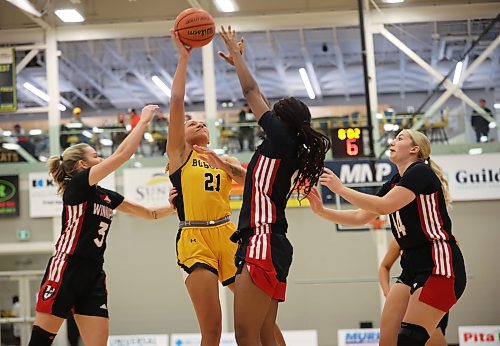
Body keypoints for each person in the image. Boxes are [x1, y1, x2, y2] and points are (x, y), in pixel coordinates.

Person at [218, 25, 331, 346]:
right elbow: (255, 185)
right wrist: (227, 168)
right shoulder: (285, 147)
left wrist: (239, 58)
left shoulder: (282, 140)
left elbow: (252, 92)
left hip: (262, 241)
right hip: (272, 243)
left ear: (281, 121)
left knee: (245, 334)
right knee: (265, 332)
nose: (265, 112)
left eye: (273, 111)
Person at [28, 104, 175, 346]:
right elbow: (123, 155)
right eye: (95, 155)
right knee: (40, 342)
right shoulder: (77, 186)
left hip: (94, 274)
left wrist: (174, 208)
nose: (101, 158)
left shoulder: (106, 196)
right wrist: (143, 121)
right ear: (82, 166)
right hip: (67, 267)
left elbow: (150, 214)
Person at [306, 129, 466, 346]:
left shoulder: (421, 172)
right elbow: (362, 216)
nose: (392, 141)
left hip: (438, 263)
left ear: (414, 149)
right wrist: (322, 212)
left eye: (400, 138)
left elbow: (385, 205)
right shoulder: (394, 182)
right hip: (412, 264)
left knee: (410, 340)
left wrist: (341, 189)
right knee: (388, 341)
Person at [379, 238, 449, 346]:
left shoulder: (443, 235)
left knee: (430, 338)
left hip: (433, 287)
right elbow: (384, 266)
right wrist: (386, 291)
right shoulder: (399, 238)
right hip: (410, 287)